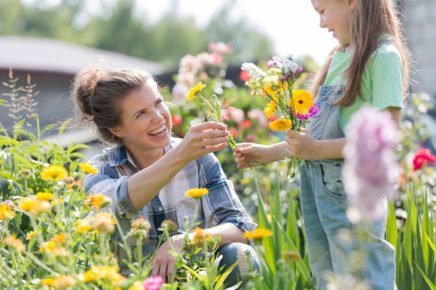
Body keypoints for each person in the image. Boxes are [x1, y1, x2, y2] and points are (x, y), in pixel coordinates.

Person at [235, 0, 410, 289]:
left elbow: (385, 135)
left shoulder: (382, 56)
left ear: (352, 3)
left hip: (352, 190)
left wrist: (316, 151)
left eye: (322, 11)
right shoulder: (339, 56)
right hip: (317, 186)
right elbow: (317, 133)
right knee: (328, 277)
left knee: (363, 274)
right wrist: (271, 153)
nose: (321, 23)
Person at [72, 67, 259, 285]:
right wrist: (180, 155)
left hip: (194, 282)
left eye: (158, 103)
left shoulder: (197, 158)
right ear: (117, 129)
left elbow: (240, 225)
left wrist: (186, 241)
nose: (158, 117)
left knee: (239, 254)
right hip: (132, 285)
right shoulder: (100, 171)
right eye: (141, 113)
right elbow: (117, 205)